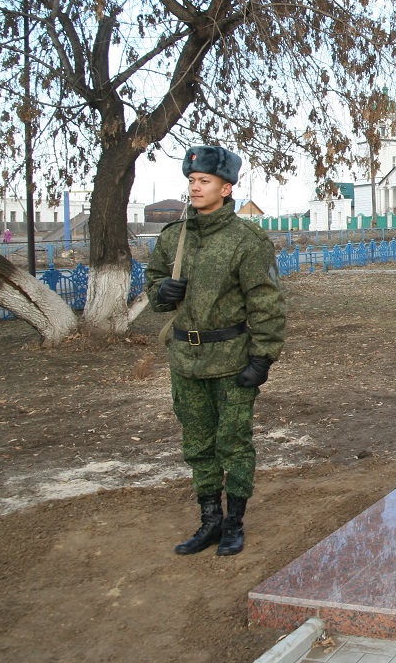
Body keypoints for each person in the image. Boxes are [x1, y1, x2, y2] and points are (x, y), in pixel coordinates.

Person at [145, 145, 285, 556]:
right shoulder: (174, 237)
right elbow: (153, 284)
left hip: (231, 361)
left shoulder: (247, 239)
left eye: (204, 181)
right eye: (192, 180)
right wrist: (161, 292)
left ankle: (234, 524)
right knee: (197, 444)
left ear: (225, 189)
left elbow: (267, 302)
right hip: (185, 361)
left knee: (234, 443)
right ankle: (210, 522)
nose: (195, 187)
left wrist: (262, 357)